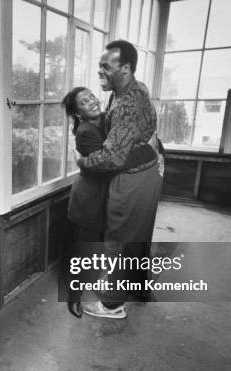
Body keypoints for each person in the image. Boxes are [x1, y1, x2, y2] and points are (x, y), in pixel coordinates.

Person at [76, 40, 163, 318]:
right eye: (100, 65)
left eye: (106, 66)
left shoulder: (126, 103)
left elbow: (112, 158)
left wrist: (81, 161)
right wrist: (148, 148)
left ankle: (112, 304)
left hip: (133, 179)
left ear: (125, 68)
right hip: (149, 173)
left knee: (120, 239)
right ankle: (137, 287)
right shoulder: (136, 87)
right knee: (138, 236)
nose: (100, 72)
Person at [61, 86, 157, 318]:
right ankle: (74, 298)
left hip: (109, 194)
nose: (92, 102)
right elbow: (108, 165)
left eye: (92, 96)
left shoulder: (108, 117)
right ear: (78, 113)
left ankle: (116, 287)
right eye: (84, 102)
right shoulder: (85, 131)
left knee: (110, 247)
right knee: (86, 251)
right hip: (90, 200)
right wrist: (146, 153)